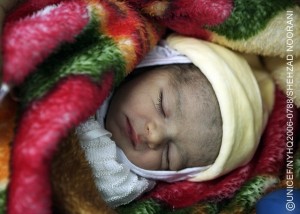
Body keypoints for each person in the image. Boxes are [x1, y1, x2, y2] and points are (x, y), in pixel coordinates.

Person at [75, 35, 275, 207]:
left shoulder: (118, 182)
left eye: (169, 156)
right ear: (151, 63)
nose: (155, 135)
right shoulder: (102, 49)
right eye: (162, 105)